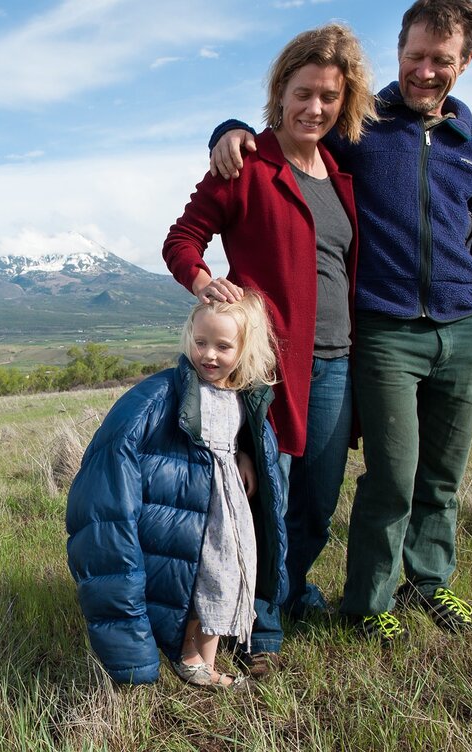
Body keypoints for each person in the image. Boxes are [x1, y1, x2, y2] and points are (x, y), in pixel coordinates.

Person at [208, 0, 472, 642]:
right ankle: (369, 602)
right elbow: (294, 128)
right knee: (393, 474)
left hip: (461, 329)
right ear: (398, 51)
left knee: (442, 474)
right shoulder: (363, 125)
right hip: (383, 330)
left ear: (467, 62)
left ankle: (430, 585)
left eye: (442, 60)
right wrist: (228, 128)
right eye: (416, 56)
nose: (426, 71)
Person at [162, 23, 378, 673]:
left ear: (346, 102)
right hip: (268, 365)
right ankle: (262, 626)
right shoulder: (247, 163)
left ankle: (289, 586)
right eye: (303, 93)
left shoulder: (342, 173)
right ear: (280, 92)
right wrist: (207, 285)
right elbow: (183, 240)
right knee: (267, 498)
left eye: (330, 98)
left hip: (337, 359)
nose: (315, 108)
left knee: (317, 495)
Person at [65, 294, 286, 689]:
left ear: (244, 349)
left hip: (229, 510)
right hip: (192, 510)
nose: (210, 355)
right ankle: (190, 656)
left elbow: (235, 437)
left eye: (223, 346)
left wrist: (245, 456)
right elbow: (121, 447)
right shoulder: (171, 392)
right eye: (201, 342)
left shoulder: (241, 395)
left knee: (227, 577)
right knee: (198, 582)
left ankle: (208, 659)